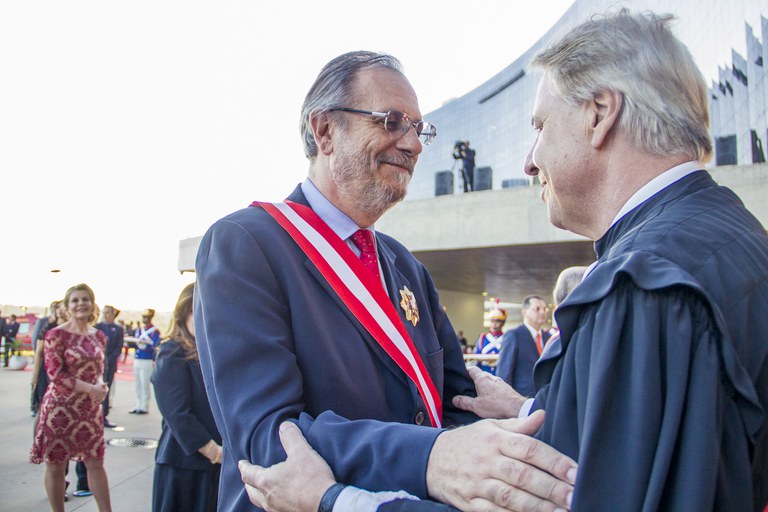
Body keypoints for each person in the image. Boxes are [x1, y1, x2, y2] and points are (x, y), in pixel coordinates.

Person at [197, 50, 576, 512]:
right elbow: (271, 440)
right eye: (391, 121)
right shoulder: (247, 243)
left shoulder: (404, 265)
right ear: (324, 131)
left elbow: (454, 403)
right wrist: (431, 458)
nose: (413, 143)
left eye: (419, 129)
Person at [515, 9, 768, 510]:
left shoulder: (640, 284)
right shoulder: (734, 234)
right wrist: (537, 407)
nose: (529, 160)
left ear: (600, 112)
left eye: (540, 125)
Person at [29, 283, 112, 512]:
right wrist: (91, 388)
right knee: (56, 464)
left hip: (89, 410)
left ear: (92, 304)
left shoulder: (100, 336)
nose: (80, 304)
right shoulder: (56, 335)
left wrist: (101, 386)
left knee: (96, 463)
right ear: (67, 307)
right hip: (60, 408)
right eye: (75, 300)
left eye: (85, 299)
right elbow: (56, 374)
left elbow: (98, 371)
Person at [152, 283, 222, 512]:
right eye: (196, 309)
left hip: (212, 465)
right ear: (183, 314)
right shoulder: (172, 351)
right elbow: (177, 414)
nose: (203, 315)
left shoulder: (211, 350)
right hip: (184, 465)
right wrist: (214, 452)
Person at [495, 295, 551, 397]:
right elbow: (504, 374)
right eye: (537, 309)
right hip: (522, 400)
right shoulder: (514, 335)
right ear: (524, 312)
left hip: (546, 400)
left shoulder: (549, 338)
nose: (542, 312)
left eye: (544, 309)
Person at [95, 305, 124, 428]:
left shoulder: (118, 329)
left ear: (113, 314)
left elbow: (119, 346)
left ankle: (104, 415)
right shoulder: (98, 327)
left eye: (108, 313)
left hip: (110, 363)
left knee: (107, 387)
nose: (105, 315)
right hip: (98, 364)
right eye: (104, 312)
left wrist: (111, 358)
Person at [130, 308, 160, 414]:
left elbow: (155, 344)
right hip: (138, 358)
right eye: (143, 317)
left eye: (146, 317)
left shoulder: (154, 331)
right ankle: (138, 404)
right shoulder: (139, 330)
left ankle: (144, 405)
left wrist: (146, 344)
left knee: (144, 383)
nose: (144, 319)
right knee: (138, 383)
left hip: (147, 359)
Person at [472, 305, 507, 374]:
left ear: (503, 323)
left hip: (500, 374)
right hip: (485, 373)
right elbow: (477, 357)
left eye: (497, 321)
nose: (494, 324)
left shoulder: (506, 338)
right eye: (492, 321)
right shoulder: (483, 337)